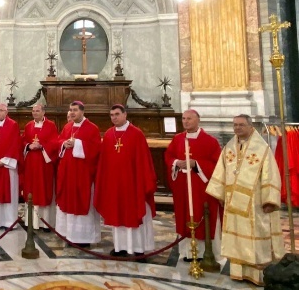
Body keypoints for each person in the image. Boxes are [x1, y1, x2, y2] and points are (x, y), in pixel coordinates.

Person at [206, 114, 284, 286]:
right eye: (235, 125)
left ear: (250, 127)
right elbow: (221, 170)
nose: (237, 128)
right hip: (233, 201)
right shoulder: (229, 147)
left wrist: (269, 200)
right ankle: (238, 272)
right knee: (237, 239)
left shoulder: (262, 148)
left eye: (241, 125)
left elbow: (270, 174)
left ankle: (257, 274)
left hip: (254, 204)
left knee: (255, 237)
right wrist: (220, 193)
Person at [94, 104, 157, 257]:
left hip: (133, 184)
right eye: (111, 115)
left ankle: (138, 248)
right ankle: (120, 247)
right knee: (117, 213)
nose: (114, 117)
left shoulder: (136, 134)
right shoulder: (109, 135)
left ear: (125, 115)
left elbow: (143, 161)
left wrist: (142, 183)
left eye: (116, 114)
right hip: (114, 184)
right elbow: (104, 162)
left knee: (133, 213)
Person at [164, 110, 222, 261]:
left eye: (189, 118)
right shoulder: (177, 139)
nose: (186, 121)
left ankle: (205, 252)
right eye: (183, 118)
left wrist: (197, 164)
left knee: (202, 216)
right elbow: (169, 156)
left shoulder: (210, 141)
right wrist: (177, 163)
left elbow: (217, 165)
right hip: (183, 187)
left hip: (202, 188)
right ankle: (188, 252)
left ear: (198, 120)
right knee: (185, 217)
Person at [55, 101, 102, 245]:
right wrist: (64, 144)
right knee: (67, 201)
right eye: (71, 110)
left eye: (75, 110)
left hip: (83, 174)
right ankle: (67, 234)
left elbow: (95, 150)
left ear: (82, 111)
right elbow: (59, 141)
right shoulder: (68, 126)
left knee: (80, 202)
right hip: (67, 173)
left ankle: (83, 238)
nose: (72, 113)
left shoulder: (92, 128)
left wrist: (78, 144)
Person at [22, 104, 59, 230]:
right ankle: (31, 222)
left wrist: (42, 146)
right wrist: (28, 146)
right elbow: (23, 141)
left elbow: (55, 142)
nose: (35, 113)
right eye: (33, 111)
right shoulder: (28, 126)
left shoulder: (51, 125)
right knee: (31, 190)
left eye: (37, 111)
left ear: (43, 112)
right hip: (31, 164)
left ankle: (45, 223)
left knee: (44, 189)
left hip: (44, 164)